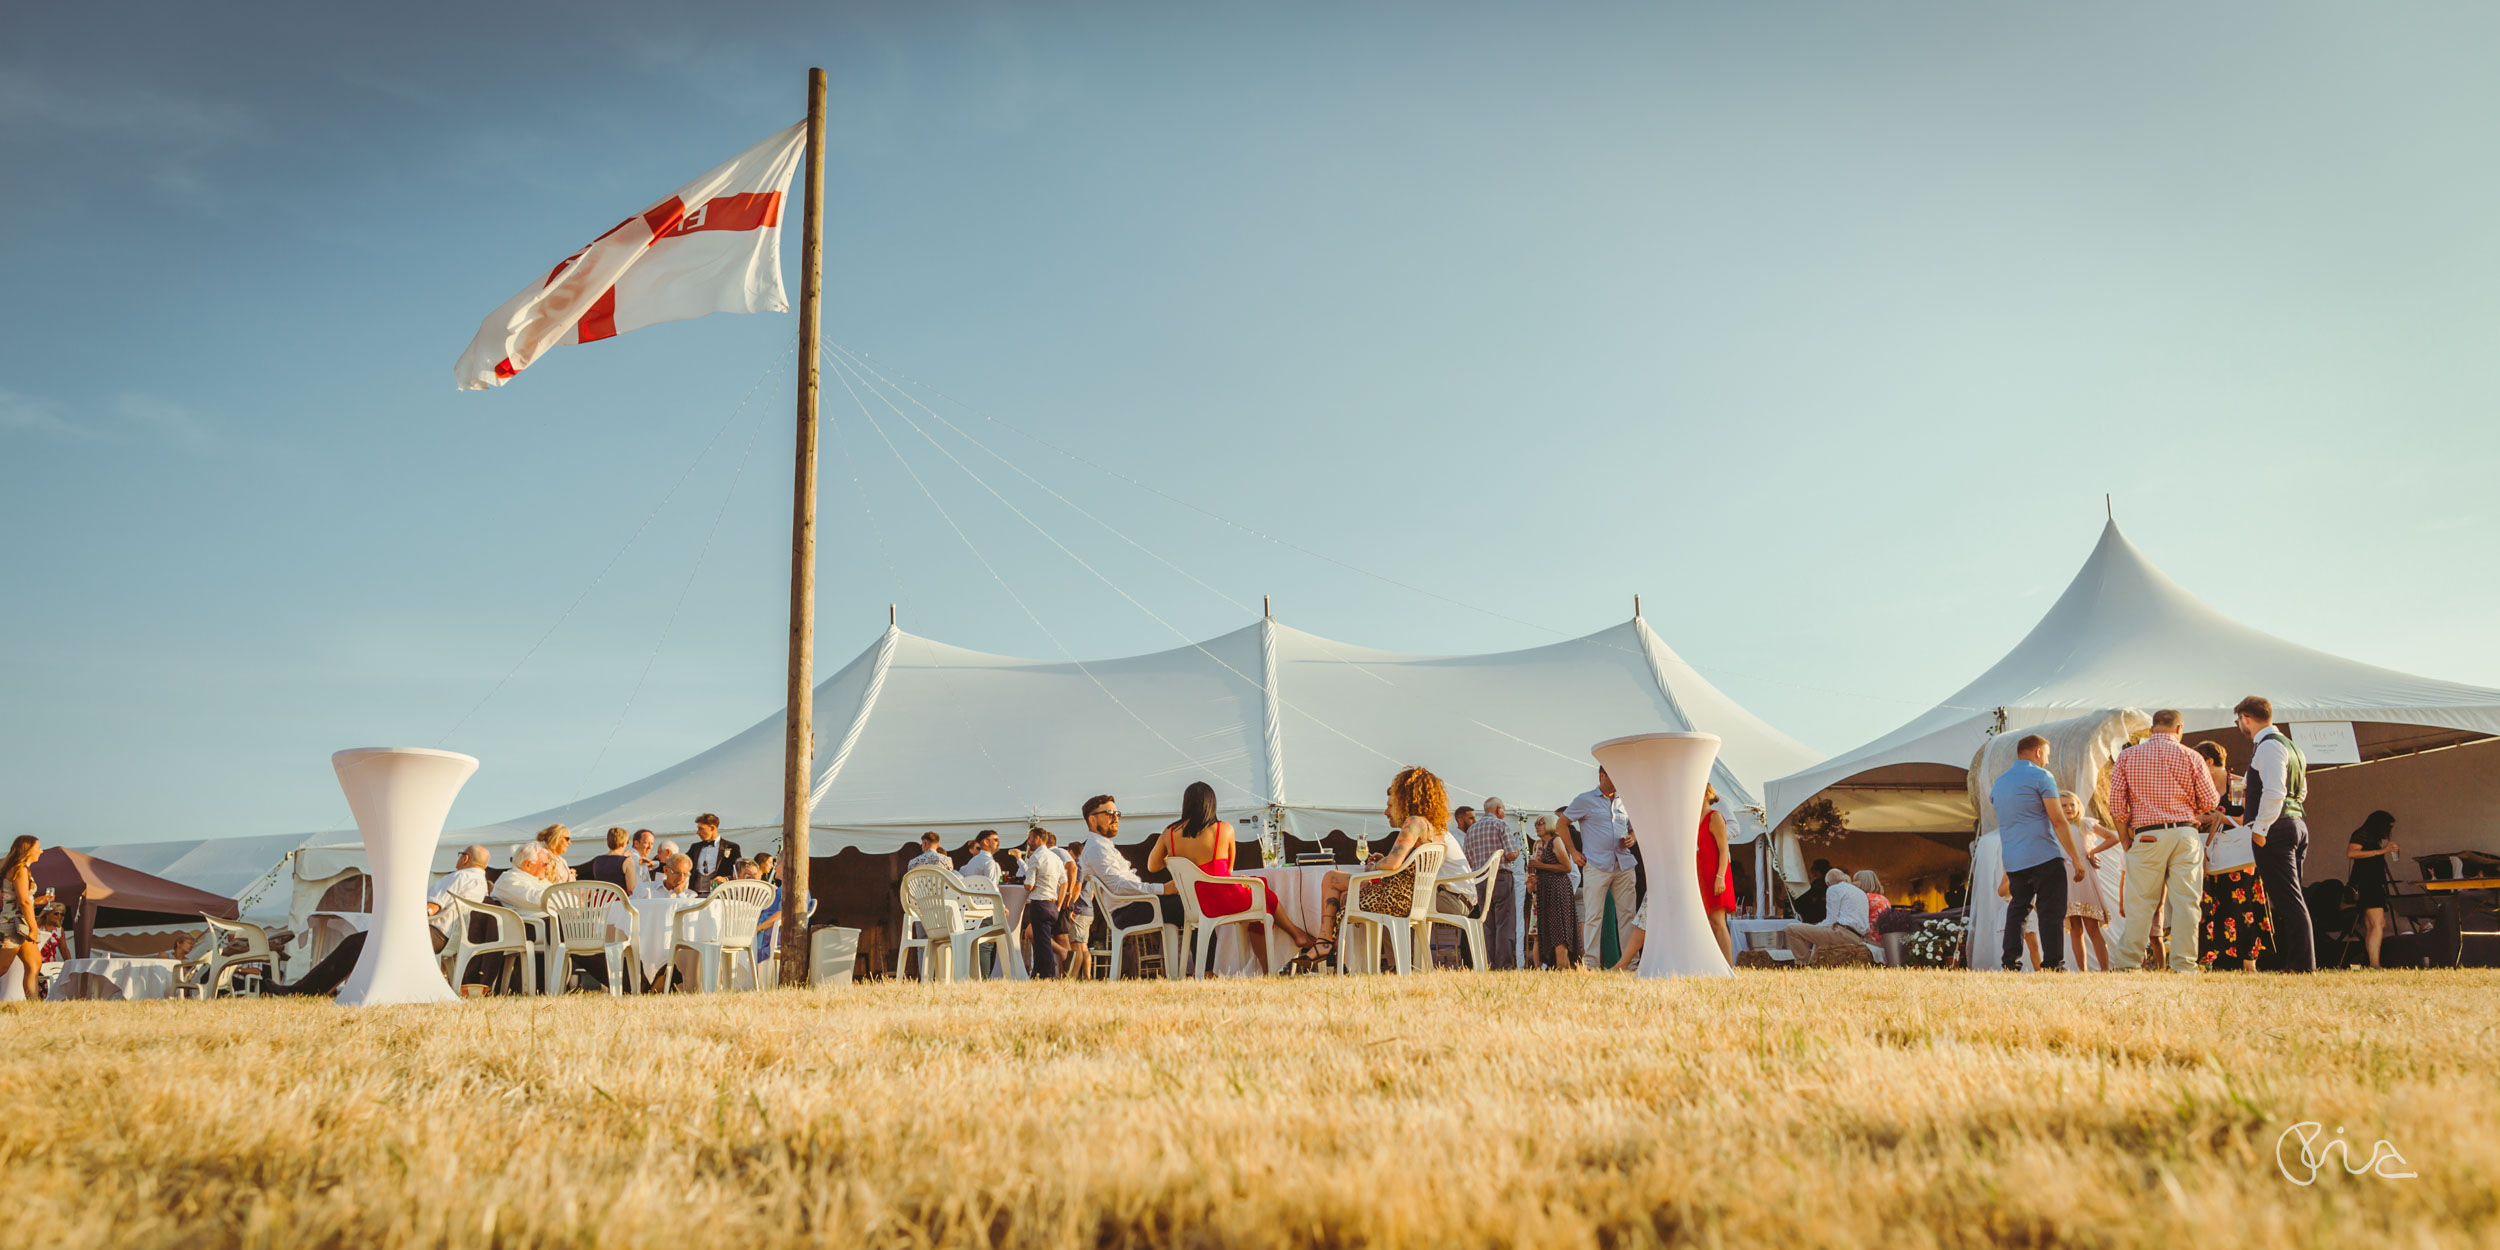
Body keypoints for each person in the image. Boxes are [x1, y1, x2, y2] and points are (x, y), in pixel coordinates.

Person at [1147, 782, 1316, 974]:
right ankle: (1294, 936)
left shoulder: (1169, 833)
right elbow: (1228, 870)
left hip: (1196, 904)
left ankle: (1273, 965)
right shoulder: (1223, 830)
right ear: (1212, 804)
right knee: (1262, 891)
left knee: (1261, 894)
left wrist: (1177, 860)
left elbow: (1152, 866)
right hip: (1223, 901)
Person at [2108, 709, 2221, 973]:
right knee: (2187, 903)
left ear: (2152, 729)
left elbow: (2117, 805)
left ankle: (2128, 964)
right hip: (2185, 833)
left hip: (2147, 834)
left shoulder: (2127, 756)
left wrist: (2125, 840)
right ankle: (2184, 965)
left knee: (2141, 904)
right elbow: (2210, 802)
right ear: (2179, 728)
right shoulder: (2192, 756)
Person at [1315, 766, 1456, 970]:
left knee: (1332, 879)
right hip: (1413, 899)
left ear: (1406, 798)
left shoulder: (1413, 822)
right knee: (1346, 894)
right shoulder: (1432, 827)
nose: (1387, 810)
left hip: (1398, 899)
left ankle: (1327, 946)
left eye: (1394, 801)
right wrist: (1385, 861)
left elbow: (1392, 864)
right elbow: (1404, 863)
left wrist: (1373, 866)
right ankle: (1339, 953)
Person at [1992, 733, 2084, 972]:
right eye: (2047, 756)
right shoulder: (2042, 776)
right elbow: (2058, 820)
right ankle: (2054, 963)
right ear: (2038, 752)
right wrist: (2076, 858)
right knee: (2050, 910)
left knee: (2018, 908)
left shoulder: (1999, 782)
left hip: (2013, 857)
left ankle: (2010, 961)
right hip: (2043, 853)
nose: (2048, 762)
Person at [2237, 696, 2316, 972]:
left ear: (2246, 718)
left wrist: (2260, 829)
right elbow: (2301, 791)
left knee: (2289, 901)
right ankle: (2295, 962)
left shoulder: (2268, 747)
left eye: (2239, 720)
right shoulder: (2292, 747)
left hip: (2276, 828)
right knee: (2291, 899)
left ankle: (2302, 965)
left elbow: (2275, 791)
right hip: (2296, 823)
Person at [1078, 794, 1186, 937]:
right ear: (1092, 819)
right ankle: (1207, 958)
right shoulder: (1096, 848)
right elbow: (1119, 886)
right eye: (1109, 813)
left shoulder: (1102, 846)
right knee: (1192, 905)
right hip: (1127, 911)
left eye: (1117, 813)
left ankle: (1185, 956)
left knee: (1190, 904)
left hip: (1133, 907)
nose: (1115, 818)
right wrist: (1164, 889)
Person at [1565, 768, 1639, 962]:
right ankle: (1590, 963)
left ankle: (1630, 963)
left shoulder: (1625, 800)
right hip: (1596, 865)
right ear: (1602, 776)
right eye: (1615, 777)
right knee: (1593, 916)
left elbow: (1634, 828)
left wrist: (1632, 837)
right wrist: (1573, 852)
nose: (1618, 782)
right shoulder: (1585, 799)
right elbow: (1561, 823)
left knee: (1628, 916)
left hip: (1623, 864)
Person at [2198, 795, 2270, 971]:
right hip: (2211, 854)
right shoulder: (2198, 784)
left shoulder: (2237, 785)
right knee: (2207, 905)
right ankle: (2210, 959)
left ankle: (2248, 958)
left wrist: (2224, 819)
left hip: (2239, 856)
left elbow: (2253, 820)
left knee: (2242, 907)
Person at [2056, 794, 2122, 971]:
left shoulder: (2084, 824)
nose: (2069, 808)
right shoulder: (2054, 826)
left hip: (2084, 876)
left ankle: (2105, 970)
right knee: (2076, 930)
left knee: (2092, 927)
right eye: (2063, 805)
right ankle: (2083, 972)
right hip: (2065, 877)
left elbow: (2113, 837)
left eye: (2072, 804)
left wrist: (2092, 852)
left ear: (2079, 806)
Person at [1463, 797, 1522, 970]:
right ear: (1498, 810)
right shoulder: (1500, 825)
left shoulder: (1472, 830)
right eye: (1503, 809)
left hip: (1480, 880)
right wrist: (1518, 850)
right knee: (1504, 923)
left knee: (1487, 924)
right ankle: (1504, 965)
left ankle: (1490, 963)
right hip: (1501, 877)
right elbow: (1511, 854)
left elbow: (1467, 860)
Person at [632, 855, 696, 992]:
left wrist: (680, 895)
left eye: (685, 874)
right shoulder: (646, 890)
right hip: (645, 939)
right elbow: (629, 911)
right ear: (666, 870)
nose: (681, 878)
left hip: (677, 944)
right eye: (677, 873)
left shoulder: (690, 897)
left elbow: (691, 920)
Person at [1, 835, 51, 1002]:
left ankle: (34, 1004)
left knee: (34, 963)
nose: (41, 851)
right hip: (13, 925)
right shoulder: (20, 869)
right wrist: (34, 927)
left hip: (19, 925)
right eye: (38, 847)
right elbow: (23, 901)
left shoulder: (18, 868)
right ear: (28, 850)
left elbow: (19, 899)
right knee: (2, 967)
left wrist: (37, 901)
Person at [2347, 810, 2399, 969]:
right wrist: (2382, 851)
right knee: (2377, 923)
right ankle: (2375, 963)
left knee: (2374, 924)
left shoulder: (2371, 838)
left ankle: (2373, 962)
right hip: (2368, 884)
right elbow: (2352, 853)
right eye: (2388, 827)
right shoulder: (2362, 834)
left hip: (2373, 883)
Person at [1528, 815, 1582, 970]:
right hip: (1547, 890)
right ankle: (1557, 966)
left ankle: (1562, 966)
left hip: (1558, 890)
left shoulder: (1556, 841)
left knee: (1559, 929)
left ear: (1550, 825)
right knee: (1551, 929)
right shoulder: (1544, 845)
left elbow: (1567, 867)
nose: (1537, 826)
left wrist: (1541, 866)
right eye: (1535, 823)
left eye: (1540, 823)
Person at [1782, 868, 1870, 963]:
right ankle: (1814, 964)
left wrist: (1814, 927)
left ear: (1828, 884)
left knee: (1791, 929)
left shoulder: (1833, 888)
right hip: (1858, 938)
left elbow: (1831, 920)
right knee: (1818, 938)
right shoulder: (1860, 892)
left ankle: (1803, 964)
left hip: (1842, 934)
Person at [1699, 785, 1738, 965]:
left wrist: (1720, 877)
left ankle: (1729, 965)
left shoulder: (1714, 817)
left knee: (1718, 921)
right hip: (1700, 873)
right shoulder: (1693, 819)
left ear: (1707, 794)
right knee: (1707, 922)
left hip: (1715, 874)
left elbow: (1724, 850)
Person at [426, 844, 493, 941]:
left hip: (435, 933)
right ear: (485, 865)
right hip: (457, 939)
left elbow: (431, 908)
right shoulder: (483, 885)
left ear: (465, 858)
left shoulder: (460, 877)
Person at [494, 844, 557, 911]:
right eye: (545, 864)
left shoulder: (538, 879)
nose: (547, 868)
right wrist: (566, 896)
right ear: (527, 865)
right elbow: (545, 900)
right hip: (537, 921)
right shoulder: (509, 881)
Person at [687, 814, 739, 892]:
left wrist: (726, 879)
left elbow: (739, 872)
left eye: (701, 829)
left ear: (712, 828)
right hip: (694, 894)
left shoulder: (732, 847)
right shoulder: (695, 847)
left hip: (719, 894)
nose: (697, 832)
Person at [585, 827, 638, 892]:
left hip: (600, 900)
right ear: (624, 843)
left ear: (607, 842)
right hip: (619, 901)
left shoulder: (597, 860)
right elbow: (631, 889)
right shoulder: (627, 861)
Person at [1794, 857, 1835, 925]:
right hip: (1825, 916)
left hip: (1815, 916)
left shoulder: (1818, 884)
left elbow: (1808, 899)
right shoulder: (1829, 882)